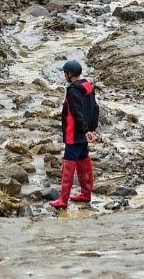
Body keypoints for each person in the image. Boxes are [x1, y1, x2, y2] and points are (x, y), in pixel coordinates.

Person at [49, 60, 99, 209]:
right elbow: (95, 108)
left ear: (69, 74)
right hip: (84, 133)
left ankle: (63, 199)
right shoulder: (89, 86)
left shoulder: (72, 91)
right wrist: (90, 129)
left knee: (68, 164)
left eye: (65, 73)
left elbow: (76, 113)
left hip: (74, 134)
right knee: (83, 159)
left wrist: (84, 131)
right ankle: (85, 193)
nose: (65, 76)